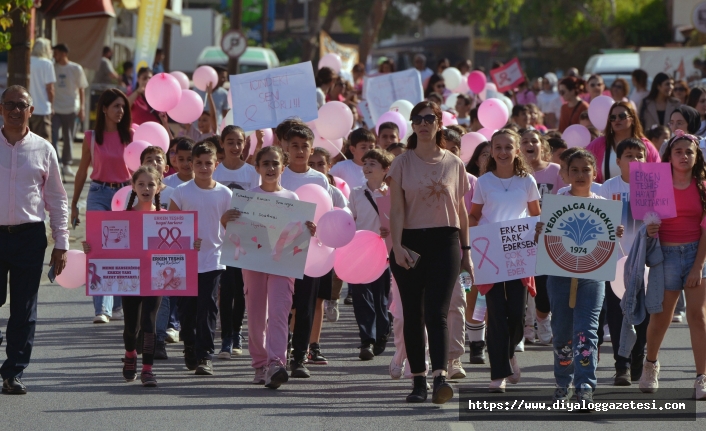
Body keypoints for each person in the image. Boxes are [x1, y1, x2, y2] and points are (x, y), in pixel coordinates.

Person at [388, 101, 472, 404]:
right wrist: (396, 246)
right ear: (412, 125)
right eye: (417, 119)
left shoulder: (454, 163)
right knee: (413, 313)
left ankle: (440, 378)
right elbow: (396, 210)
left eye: (429, 119)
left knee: (438, 312)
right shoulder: (401, 163)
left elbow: (461, 211)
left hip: (446, 241)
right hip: (410, 242)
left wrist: (467, 252)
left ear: (439, 123)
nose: (423, 124)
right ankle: (418, 381)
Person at [535, 149, 624, 404]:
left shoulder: (603, 206)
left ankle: (585, 385)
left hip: (592, 276)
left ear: (594, 173)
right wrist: (540, 230)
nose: (581, 174)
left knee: (587, 330)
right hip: (560, 276)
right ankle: (563, 383)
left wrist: (614, 232)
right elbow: (542, 241)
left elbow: (608, 246)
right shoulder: (555, 202)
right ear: (566, 174)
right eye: (574, 170)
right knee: (562, 331)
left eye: (586, 169)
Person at [0, 85, 69, 395]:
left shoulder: (44, 149)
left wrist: (62, 242)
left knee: (24, 308)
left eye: (22, 105)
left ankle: (13, 372)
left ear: (31, 110)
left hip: (30, 236)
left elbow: (56, 198)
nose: (16, 110)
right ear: (1, 108)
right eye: (10, 104)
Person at [236, 145, 316, 388]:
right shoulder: (248, 197)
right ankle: (260, 364)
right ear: (258, 168)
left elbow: (296, 233)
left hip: (283, 264)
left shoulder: (292, 198)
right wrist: (226, 220)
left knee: (280, 312)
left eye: (275, 163)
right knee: (257, 315)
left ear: (283, 166)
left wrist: (308, 231)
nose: (271, 168)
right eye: (266, 164)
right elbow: (236, 233)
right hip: (253, 263)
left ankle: (276, 364)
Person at [469, 129, 541, 392]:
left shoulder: (527, 181)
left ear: (517, 150)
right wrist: (472, 235)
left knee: (516, 314)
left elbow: (536, 217)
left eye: (508, 147)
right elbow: (474, 216)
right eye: (497, 147)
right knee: (496, 314)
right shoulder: (483, 182)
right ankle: (498, 373)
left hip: (519, 255)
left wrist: (535, 234)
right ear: (491, 150)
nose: (502, 152)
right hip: (490, 255)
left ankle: (509, 353)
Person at [639, 131, 706, 400]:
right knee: (662, 316)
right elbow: (643, 217)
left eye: (689, 152)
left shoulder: (702, 186)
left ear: (697, 156)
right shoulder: (656, 183)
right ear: (669, 156)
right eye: (678, 151)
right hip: (664, 254)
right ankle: (650, 364)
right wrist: (650, 226)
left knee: (698, 316)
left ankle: (702, 376)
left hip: (696, 253)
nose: (684, 156)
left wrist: (697, 266)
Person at [169, 141, 233, 376]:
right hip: (185, 261)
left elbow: (228, 226)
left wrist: (233, 219)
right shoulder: (181, 191)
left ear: (216, 164)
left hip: (213, 259)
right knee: (187, 308)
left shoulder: (225, 193)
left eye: (208, 163)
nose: (204, 167)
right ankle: (189, 345)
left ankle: (205, 355)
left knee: (208, 307)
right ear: (191, 164)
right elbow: (170, 226)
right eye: (199, 163)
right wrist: (186, 242)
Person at [71, 89, 133, 323]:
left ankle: (118, 305)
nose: (120, 111)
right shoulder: (90, 137)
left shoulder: (131, 134)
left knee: (121, 250)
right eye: (116, 106)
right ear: (104, 109)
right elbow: (82, 171)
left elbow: (140, 168)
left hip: (125, 193)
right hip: (98, 193)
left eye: (123, 107)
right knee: (98, 249)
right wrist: (74, 203)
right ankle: (102, 309)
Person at [280, 124, 331, 379]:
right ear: (285, 148)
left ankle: (299, 357)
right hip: (282, 251)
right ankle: (279, 353)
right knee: (282, 304)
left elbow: (328, 212)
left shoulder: (319, 179)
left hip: (312, 252)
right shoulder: (278, 174)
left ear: (311, 149)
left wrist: (318, 227)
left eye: (304, 146)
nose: (300, 151)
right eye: (294, 146)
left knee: (306, 304)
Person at [597, 138, 648, 386]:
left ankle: (639, 357)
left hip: (647, 263)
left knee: (645, 314)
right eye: (629, 155)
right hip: (615, 262)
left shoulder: (654, 185)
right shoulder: (607, 188)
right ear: (618, 162)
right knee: (617, 316)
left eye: (640, 155)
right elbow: (599, 222)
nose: (635, 160)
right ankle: (621, 366)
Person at [212, 125, 259, 359]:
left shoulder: (252, 173)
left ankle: (237, 332)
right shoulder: (214, 172)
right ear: (222, 144)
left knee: (241, 290)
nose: (235, 146)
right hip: (220, 240)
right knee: (226, 290)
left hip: (246, 240)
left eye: (239, 142)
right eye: (230, 141)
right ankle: (226, 338)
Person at [519, 129, 564, 347]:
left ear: (542, 146)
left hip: (550, 237)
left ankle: (543, 319)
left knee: (544, 286)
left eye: (534, 141)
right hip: (522, 235)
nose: (529, 144)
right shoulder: (515, 173)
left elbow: (566, 199)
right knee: (523, 284)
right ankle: (527, 326)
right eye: (524, 141)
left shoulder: (555, 170)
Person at [348, 149, 393, 360]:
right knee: (360, 295)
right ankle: (367, 340)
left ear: (385, 169)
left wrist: (389, 230)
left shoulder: (393, 192)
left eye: (373, 163)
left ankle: (383, 330)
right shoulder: (356, 192)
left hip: (385, 252)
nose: (367, 167)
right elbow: (351, 219)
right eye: (365, 163)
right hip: (360, 251)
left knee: (381, 297)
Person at [585, 101, 660, 183]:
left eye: (622, 116)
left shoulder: (646, 146)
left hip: (636, 195)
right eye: (612, 117)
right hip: (605, 194)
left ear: (632, 119)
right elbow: (582, 165)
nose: (617, 120)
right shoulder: (598, 144)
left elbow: (658, 177)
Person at [51, 43, 88, 177]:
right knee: (53, 136)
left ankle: (67, 163)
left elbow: (81, 88)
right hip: (55, 108)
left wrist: (82, 108)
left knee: (68, 137)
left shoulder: (75, 68)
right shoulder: (52, 67)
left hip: (71, 107)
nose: (54, 55)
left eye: (57, 53)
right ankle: (56, 162)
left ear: (64, 54)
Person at [28, 38, 55, 140]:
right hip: (42, 108)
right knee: (43, 141)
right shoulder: (47, 63)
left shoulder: (27, 60)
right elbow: (50, 89)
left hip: (27, 107)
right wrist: (52, 105)